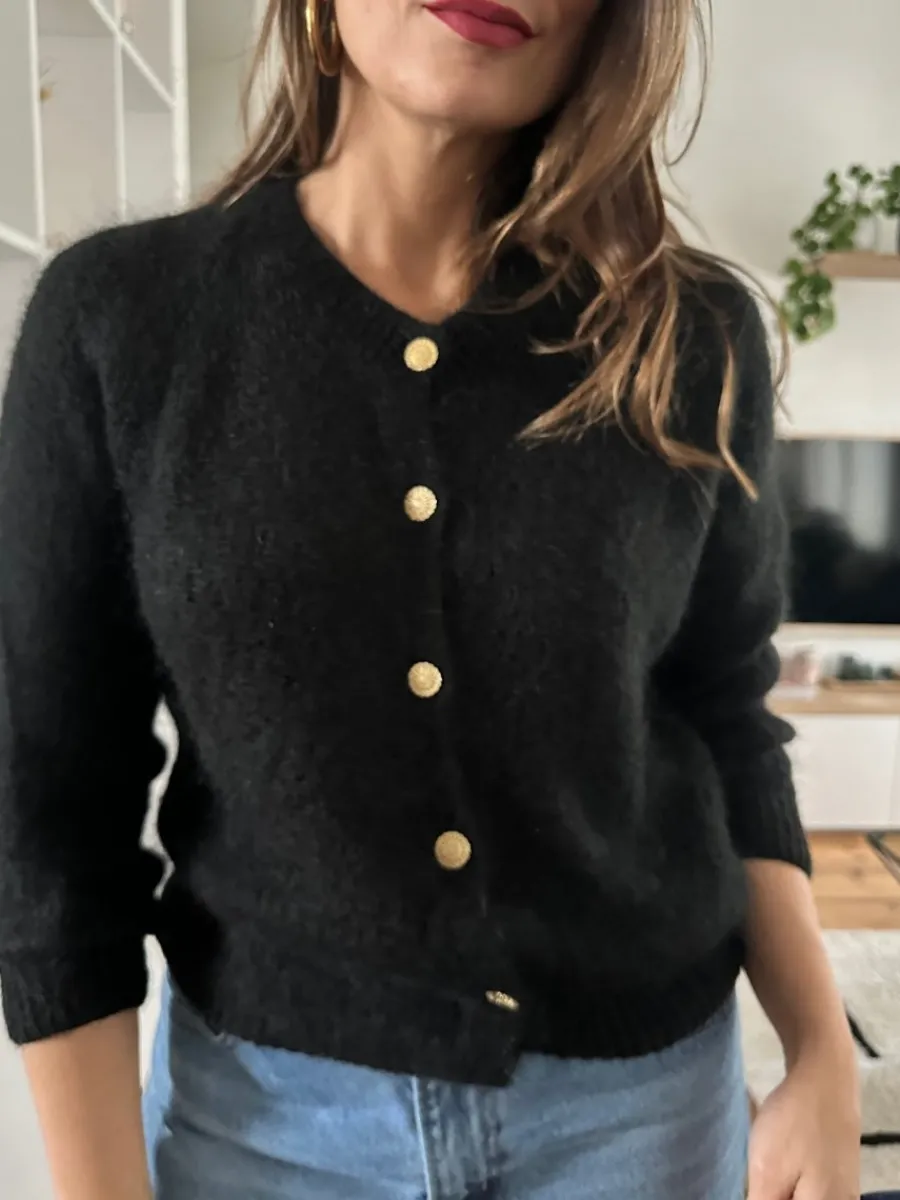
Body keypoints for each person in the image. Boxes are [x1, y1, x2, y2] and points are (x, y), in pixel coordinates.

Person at [0, 1, 861, 1197]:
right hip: (267, 1133)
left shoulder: (690, 336)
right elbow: (48, 809)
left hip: (640, 1122)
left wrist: (822, 1052)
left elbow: (728, 720)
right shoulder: (120, 322)